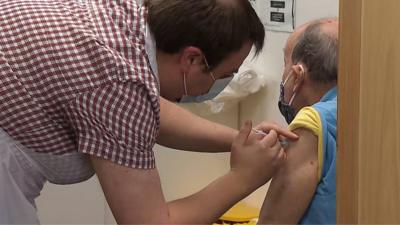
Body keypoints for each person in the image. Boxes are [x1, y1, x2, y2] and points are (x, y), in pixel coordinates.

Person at [0, 0, 298, 224]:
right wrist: (243, 178)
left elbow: (149, 112)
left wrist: (240, 140)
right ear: (192, 59)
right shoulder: (118, 83)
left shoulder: (131, 20)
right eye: (225, 74)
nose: (222, 83)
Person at [258, 18, 338, 224]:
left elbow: (273, 222)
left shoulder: (313, 121)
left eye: (286, 63)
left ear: (297, 73)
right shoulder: (368, 110)